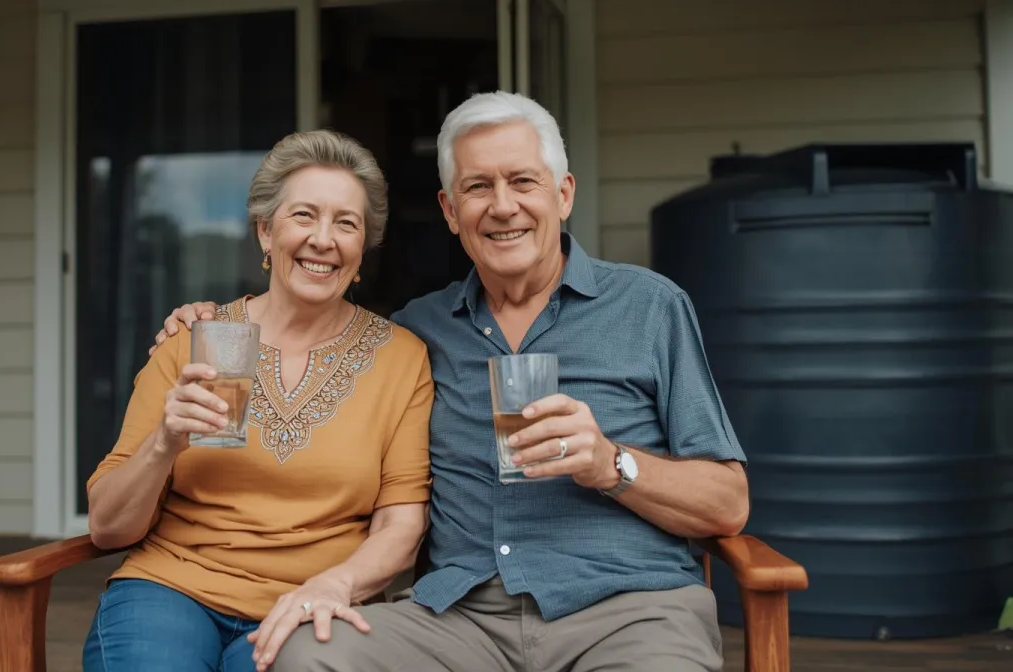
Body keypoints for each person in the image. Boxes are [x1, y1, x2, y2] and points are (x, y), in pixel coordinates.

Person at [152, 92, 749, 672]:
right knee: (306, 654)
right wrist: (208, 319)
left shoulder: (649, 306)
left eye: (523, 181)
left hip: (627, 611)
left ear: (563, 195)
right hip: (460, 619)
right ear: (448, 210)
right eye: (477, 187)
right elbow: (313, 333)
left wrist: (611, 464)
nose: (503, 205)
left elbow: (729, 502)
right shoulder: (415, 335)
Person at [83, 129, 433, 672]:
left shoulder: (402, 359)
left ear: (363, 247)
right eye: (303, 216)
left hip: (312, 603)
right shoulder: (192, 340)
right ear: (265, 232)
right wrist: (164, 443)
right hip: (171, 588)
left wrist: (332, 585)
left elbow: (400, 528)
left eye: (346, 222)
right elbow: (108, 528)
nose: (324, 239)